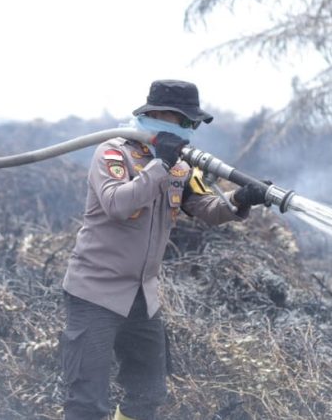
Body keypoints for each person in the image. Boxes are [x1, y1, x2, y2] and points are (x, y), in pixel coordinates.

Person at [60, 80, 269, 420]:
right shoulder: (114, 154)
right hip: (94, 293)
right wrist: (159, 164)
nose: (190, 130)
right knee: (87, 403)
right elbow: (117, 204)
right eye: (184, 121)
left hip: (142, 297)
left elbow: (206, 208)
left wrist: (241, 199)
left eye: (193, 124)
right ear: (158, 115)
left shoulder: (182, 166)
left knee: (147, 394)